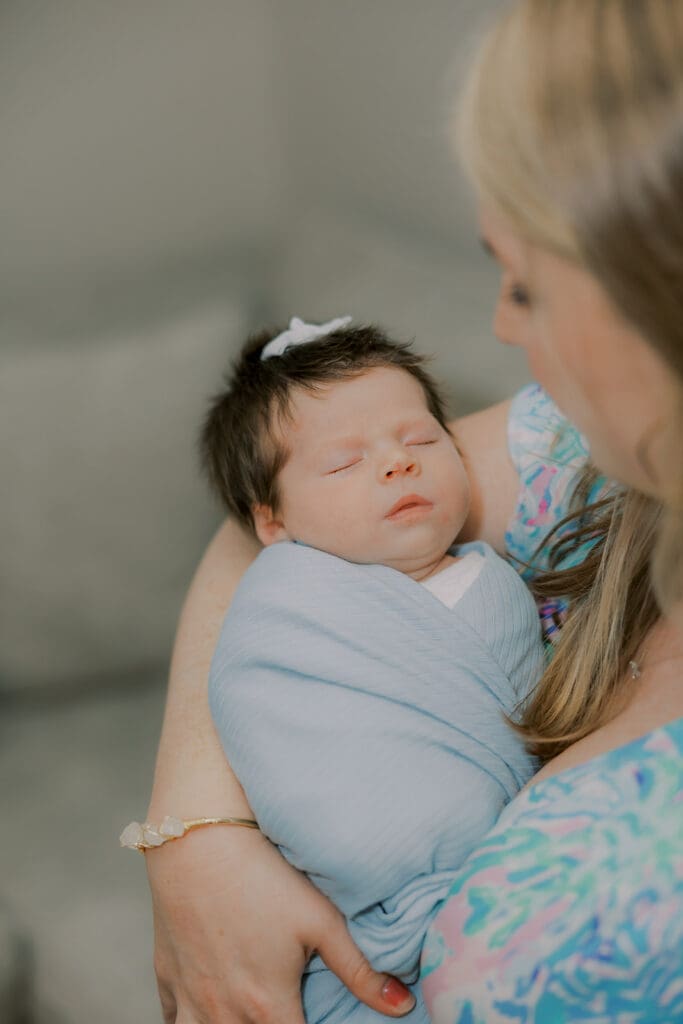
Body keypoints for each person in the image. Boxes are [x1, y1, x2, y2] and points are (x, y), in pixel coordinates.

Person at [141, 1, 683, 1021]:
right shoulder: (576, 449)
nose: (497, 324)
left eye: (522, 284)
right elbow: (267, 533)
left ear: (649, 304)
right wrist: (197, 833)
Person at [197, 316, 544, 1024]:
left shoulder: (496, 581)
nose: (397, 463)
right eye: (342, 463)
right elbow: (293, 757)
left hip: (510, 884)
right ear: (273, 524)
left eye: (420, 440)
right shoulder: (285, 614)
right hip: (371, 923)